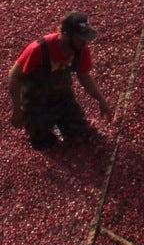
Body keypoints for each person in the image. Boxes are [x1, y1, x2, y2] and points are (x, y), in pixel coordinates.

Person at [8, 11, 112, 150]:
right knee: (42, 143)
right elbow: (14, 76)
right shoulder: (39, 49)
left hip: (63, 98)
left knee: (80, 133)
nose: (85, 42)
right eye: (80, 38)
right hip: (35, 103)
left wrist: (100, 99)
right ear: (66, 34)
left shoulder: (81, 49)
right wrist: (17, 110)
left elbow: (84, 76)